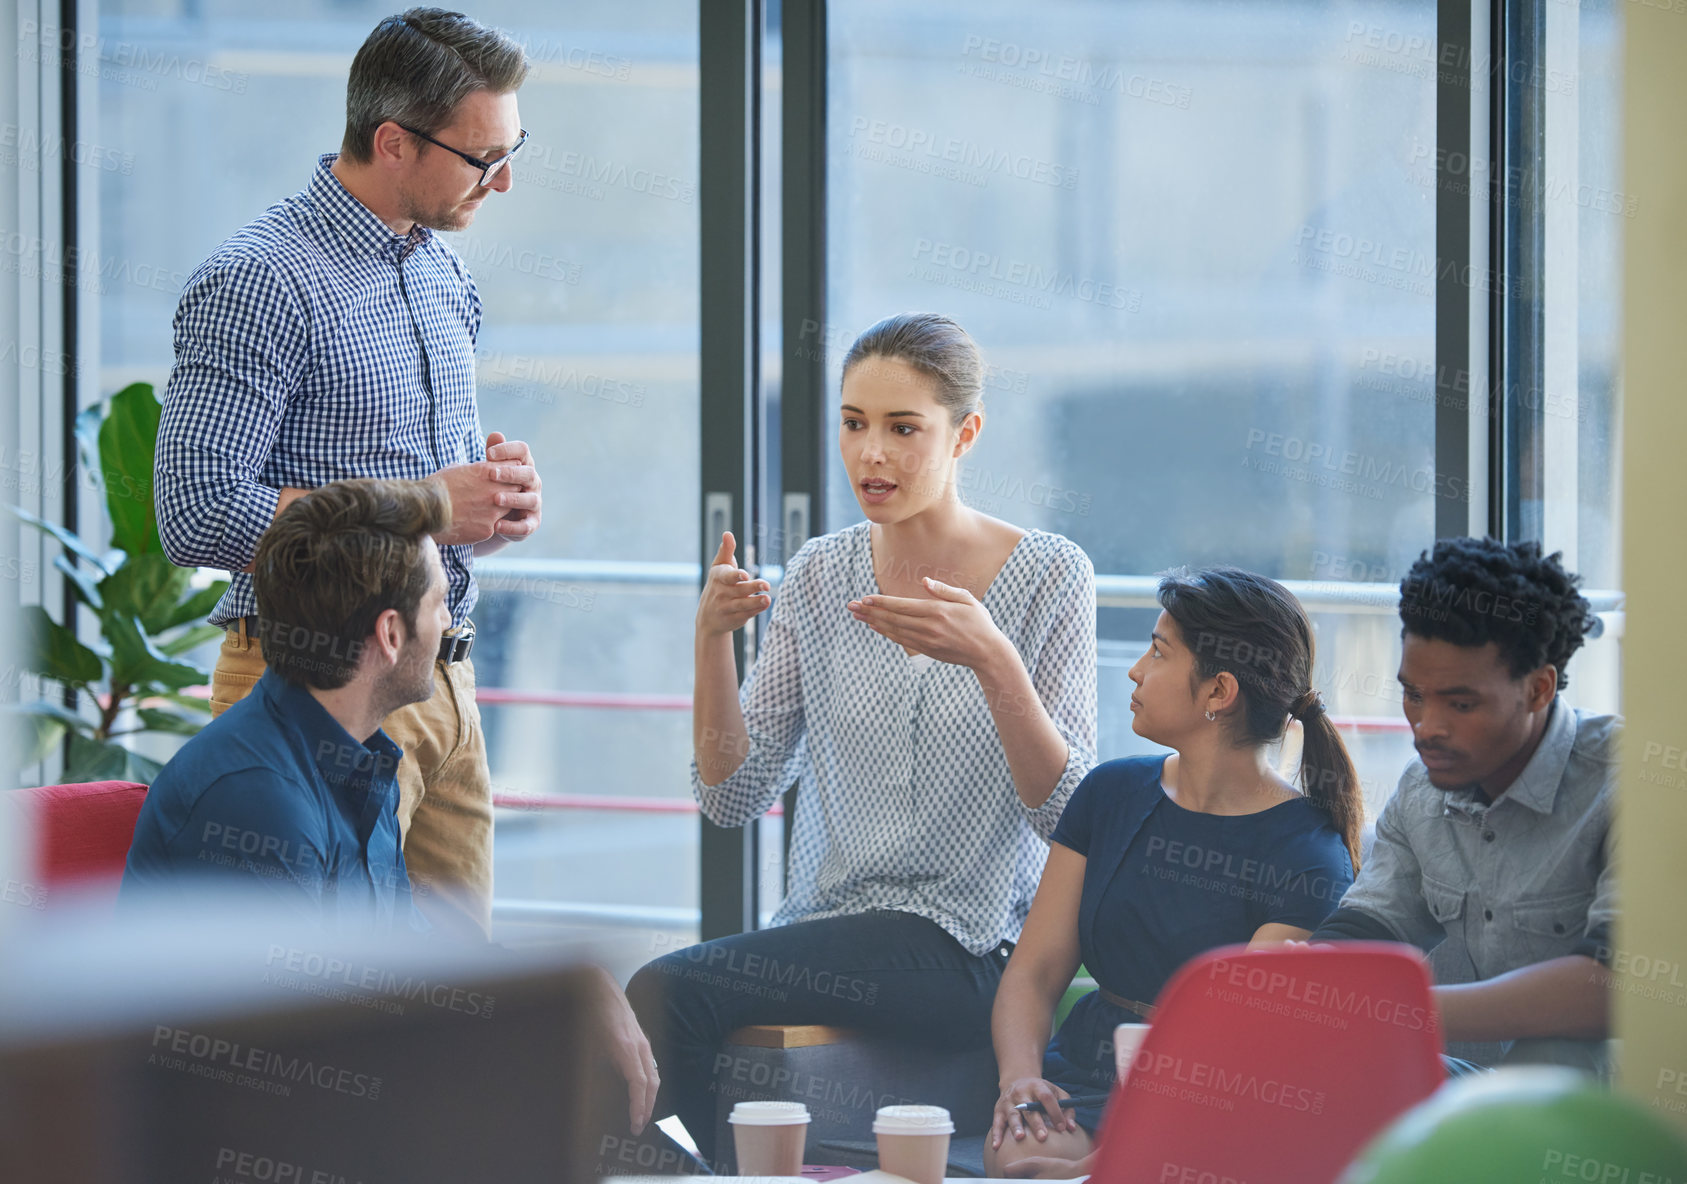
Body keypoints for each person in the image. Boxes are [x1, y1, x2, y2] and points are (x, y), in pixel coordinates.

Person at [624, 312, 1098, 1165]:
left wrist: (993, 659)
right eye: (853, 423)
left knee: (666, 990)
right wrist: (711, 644)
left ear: (965, 434)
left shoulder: (1050, 575)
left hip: (968, 945)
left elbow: (1070, 813)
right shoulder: (818, 574)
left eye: (901, 428)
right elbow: (732, 796)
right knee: (668, 998)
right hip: (832, 927)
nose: (870, 454)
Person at [152, 8, 542, 940]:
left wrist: (490, 500)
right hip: (318, 680)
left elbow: (433, 494)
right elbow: (197, 511)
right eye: (483, 157)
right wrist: (427, 508)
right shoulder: (260, 278)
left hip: (440, 681)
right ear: (393, 142)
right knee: (336, 1018)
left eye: (513, 147)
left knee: (460, 1014)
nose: (505, 179)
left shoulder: (440, 269)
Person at [985, 567, 1361, 1179]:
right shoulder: (1109, 792)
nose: (1135, 670)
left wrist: (1109, 1167)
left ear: (1218, 692)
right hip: (1090, 1067)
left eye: (1158, 652)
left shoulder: (1309, 853)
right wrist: (1021, 1078)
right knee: (1021, 1154)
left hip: (1221, 1098)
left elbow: (1246, 1048)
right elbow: (1034, 971)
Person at [1309, 537, 1615, 1073]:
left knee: (1551, 1055)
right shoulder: (1423, 790)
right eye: (1413, 695)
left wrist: (1394, 1011)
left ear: (1539, 689)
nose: (1427, 728)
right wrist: (1312, 982)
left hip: (1618, 1113)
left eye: (1462, 703)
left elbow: (1611, 988)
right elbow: (1371, 924)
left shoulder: (1629, 785)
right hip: (1494, 1101)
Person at [121, 479, 453, 931]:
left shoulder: (363, 759)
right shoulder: (258, 799)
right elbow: (296, 1001)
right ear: (390, 635)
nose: (448, 623)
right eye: (440, 603)